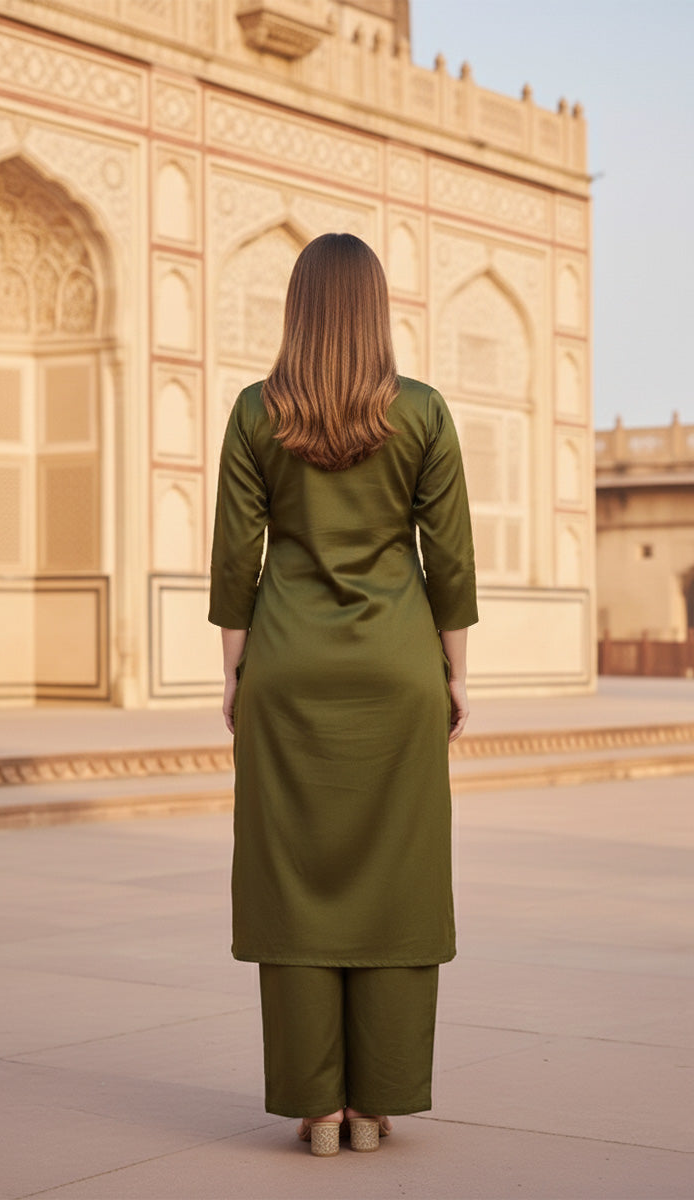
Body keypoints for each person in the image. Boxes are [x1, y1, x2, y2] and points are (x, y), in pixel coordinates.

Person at [208, 232, 478, 1157]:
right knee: (396, 881)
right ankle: (379, 1104)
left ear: (297, 310)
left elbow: (236, 559)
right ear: (375, 310)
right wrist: (456, 673)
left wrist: (237, 675)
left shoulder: (255, 414)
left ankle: (316, 1108)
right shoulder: (423, 414)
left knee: (295, 884)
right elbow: (448, 557)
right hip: (396, 671)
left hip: (288, 668)